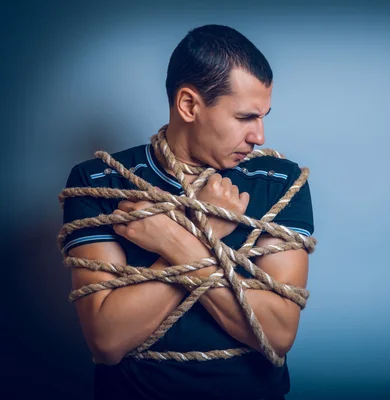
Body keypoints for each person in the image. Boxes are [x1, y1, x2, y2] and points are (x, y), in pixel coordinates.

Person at [59, 24, 315, 400]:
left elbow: (276, 336)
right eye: (245, 117)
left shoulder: (280, 183)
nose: (259, 136)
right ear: (189, 105)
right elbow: (107, 341)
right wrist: (209, 227)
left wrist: (177, 241)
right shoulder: (100, 181)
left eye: (263, 117)